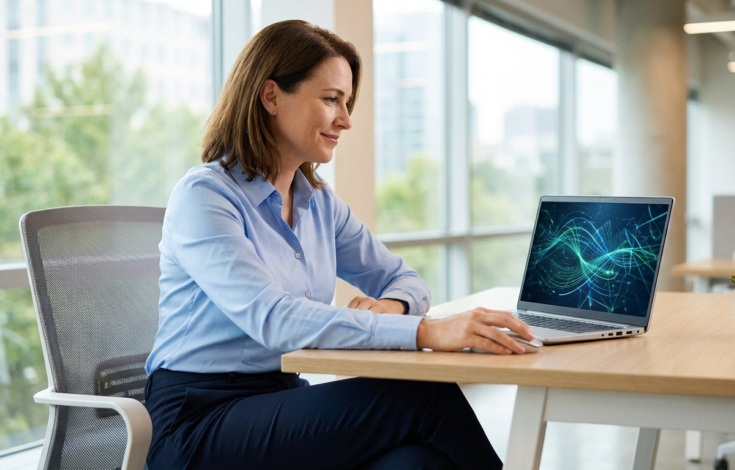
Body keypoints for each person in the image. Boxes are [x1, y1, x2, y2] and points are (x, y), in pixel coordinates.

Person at [143, 19, 535, 470]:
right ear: (271, 96)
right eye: (331, 100)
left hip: (279, 398)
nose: (345, 120)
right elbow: (272, 318)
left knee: (418, 462)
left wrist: (395, 307)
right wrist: (426, 331)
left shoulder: (319, 204)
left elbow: (404, 279)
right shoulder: (205, 197)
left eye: (346, 102)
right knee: (424, 396)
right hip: (196, 423)